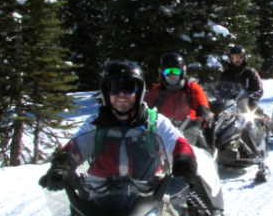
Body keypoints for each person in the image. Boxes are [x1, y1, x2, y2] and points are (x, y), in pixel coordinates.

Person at [40, 59, 198, 190]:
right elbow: (75, 148)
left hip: (148, 198)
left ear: (139, 91)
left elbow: (180, 148)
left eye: (129, 87)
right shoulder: (96, 123)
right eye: (114, 88)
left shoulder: (155, 122)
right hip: (99, 196)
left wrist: (184, 170)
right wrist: (61, 167)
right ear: (105, 92)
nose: (121, 94)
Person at [145, 53, 211, 126]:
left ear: (182, 71)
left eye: (175, 71)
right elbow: (143, 106)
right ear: (161, 73)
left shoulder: (192, 88)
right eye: (167, 72)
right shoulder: (157, 90)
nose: (172, 75)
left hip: (189, 129)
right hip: (165, 130)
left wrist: (202, 119)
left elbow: (202, 105)